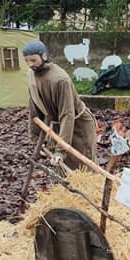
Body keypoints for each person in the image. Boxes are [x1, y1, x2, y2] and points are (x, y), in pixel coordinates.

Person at [23, 40, 97, 170]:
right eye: (27, 61)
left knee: (83, 168)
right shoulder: (31, 76)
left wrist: (61, 150)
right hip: (58, 125)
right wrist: (35, 138)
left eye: (33, 60)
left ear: (44, 56)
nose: (30, 65)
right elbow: (34, 107)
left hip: (78, 126)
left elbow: (67, 114)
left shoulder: (60, 80)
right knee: (63, 169)